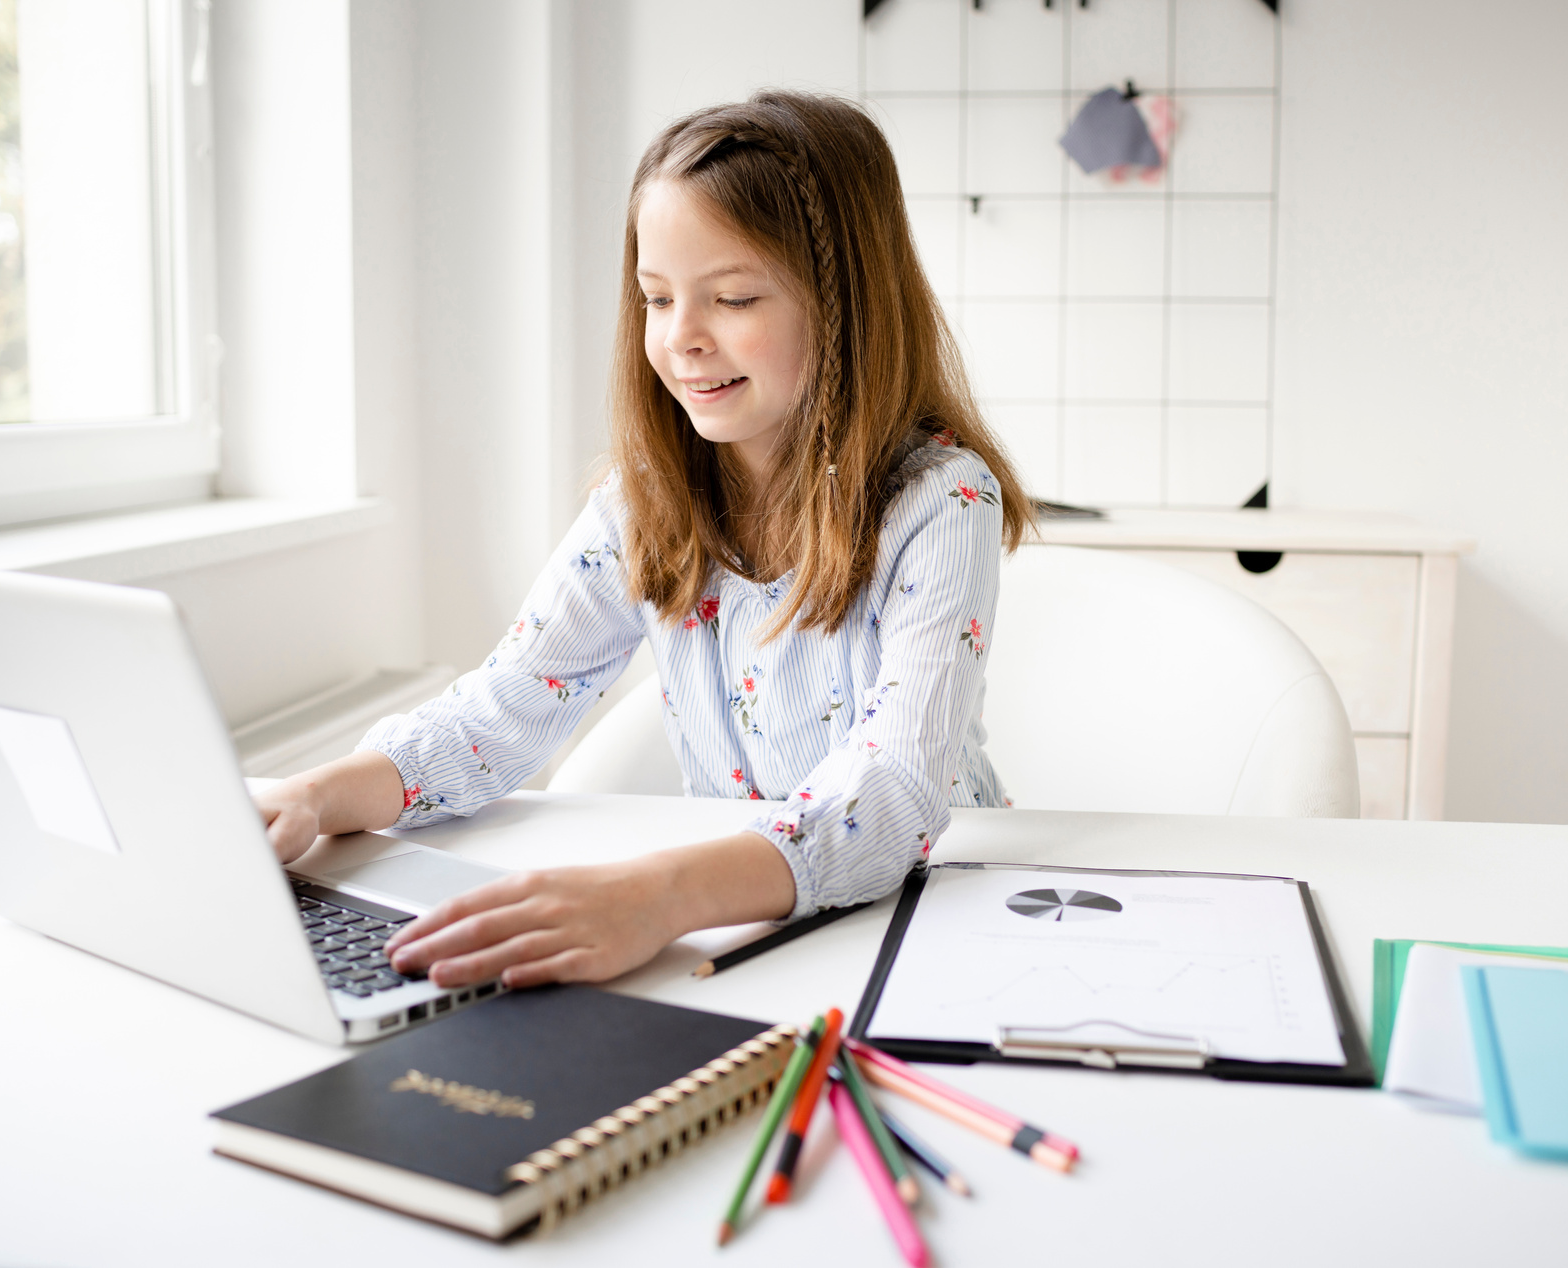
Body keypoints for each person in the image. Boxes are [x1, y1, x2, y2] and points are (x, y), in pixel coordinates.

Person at [255, 89, 1032, 994]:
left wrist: (655, 896)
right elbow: (500, 712)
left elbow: (893, 790)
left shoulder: (940, 501)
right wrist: (313, 795)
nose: (682, 340)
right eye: (657, 299)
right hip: (750, 919)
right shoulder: (645, 502)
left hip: (932, 917)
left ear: (847, 306)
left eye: (733, 297)